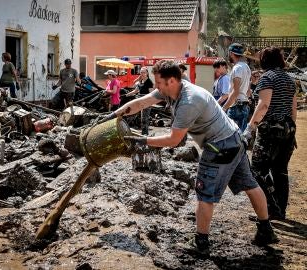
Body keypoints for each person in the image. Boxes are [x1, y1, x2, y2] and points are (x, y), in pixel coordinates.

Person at [101, 60, 278, 254]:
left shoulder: (189, 100)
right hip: (234, 138)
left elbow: (174, 140)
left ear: (171, 81)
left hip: (220, 147)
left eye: (158, 83)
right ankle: (266, 229)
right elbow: (142, 102)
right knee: (250, 185)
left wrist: (141, 141)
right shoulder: (171, 89)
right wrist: (114, 116)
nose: (156, 86)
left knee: (205, 194)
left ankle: (201, 243)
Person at [243, 47, 297, 220]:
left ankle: (269, 209)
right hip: (288, 129)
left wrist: (250, 128)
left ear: (265, 60)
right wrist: (292, 133)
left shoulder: (268, 77)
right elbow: (293, 109)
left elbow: (263, 105)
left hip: (270, 130)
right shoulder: (289, 79)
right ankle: (280, 210)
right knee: (280, 170)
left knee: (257, 170)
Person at [222, 43, 252, 131]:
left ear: (231, 53)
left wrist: (224, 108)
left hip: (236, 107)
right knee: (240, 137)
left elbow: (236, 91)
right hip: (244, 106)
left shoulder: (237, 68)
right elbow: (248, 90)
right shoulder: (246, 67)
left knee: (229, 135)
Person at [126, 67, 154, 135]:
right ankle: (142, 133)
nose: (142, 74)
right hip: (139, 101)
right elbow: (136, 91)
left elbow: (151, 93)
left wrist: (149, 102)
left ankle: (145, 134)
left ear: (147, 73)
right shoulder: (140, 81)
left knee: (145, 118)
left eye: (143, 72)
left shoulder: (149, 82)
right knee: (140, 118)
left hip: (146, 101)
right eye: (141, 72)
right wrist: (127, 94)